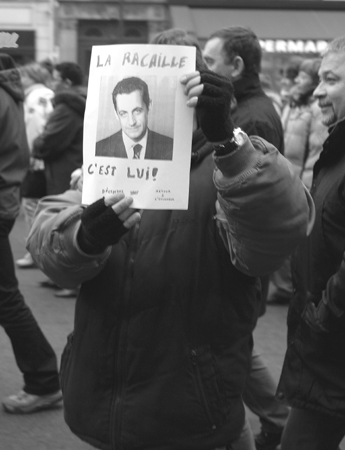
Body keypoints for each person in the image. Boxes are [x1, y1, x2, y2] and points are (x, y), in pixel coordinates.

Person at [26, 32, 312, 448]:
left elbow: (279, 230)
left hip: (195, 414)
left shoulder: (229, 165)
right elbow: (47, 245)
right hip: (105, 406)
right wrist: (83, 236)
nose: (132, 120)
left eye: (140, 108)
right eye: (122, 111)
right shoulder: (105, 160)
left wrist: (228, 141)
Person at [203, 26, 289, 450]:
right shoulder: (247, 107)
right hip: (239, 253)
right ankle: (276, 419)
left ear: (235, 66)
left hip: (240, 257)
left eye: (210, 61)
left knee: (232, 353)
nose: (202, 70)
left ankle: (277, 419)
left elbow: (256, 197)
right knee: (236, 350)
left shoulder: (251, 116)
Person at [277, 35, 345, 450]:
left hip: (330, 345)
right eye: (319, 78)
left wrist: (319, 319)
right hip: (325, 349)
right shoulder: (336, 147)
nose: (317, 90)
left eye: (331, 79)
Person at [0, 53, 62, 414]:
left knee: (6, 298)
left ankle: (43, 380)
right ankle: (43, 379)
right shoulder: (10, 94)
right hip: (6, 198)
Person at [268, 58, 328, 305]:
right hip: (287, 175)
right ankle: (286, 285)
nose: (298, 81)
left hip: (302, 181)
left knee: (296, 235)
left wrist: (306, 184)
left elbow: (317, 150)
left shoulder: (315, 108)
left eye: (304, 78)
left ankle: (290, 286)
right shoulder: (294, 103)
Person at [32, 61, 86, 298]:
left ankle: (68, 280)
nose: (50, 82)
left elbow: (50, 141)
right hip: (69, 166)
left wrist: (36, 143)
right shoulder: (76, 104)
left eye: (55, 78)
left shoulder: (66, 107)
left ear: (65, 82)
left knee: (66, 221)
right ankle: (63, 278)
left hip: (65, 169)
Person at [15, 61, 54, 269]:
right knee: (41, 205)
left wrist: (29, 156)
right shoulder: (48, 94)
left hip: (36, 161)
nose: (20, 80)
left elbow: (35, 128)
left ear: (30, 77)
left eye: (23, 76)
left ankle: (34, 252)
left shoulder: (33, 97)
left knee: (32, 205)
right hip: (46, 160)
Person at [96, 76, 174, 160]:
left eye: (137, 111)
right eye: (123, 113)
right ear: (116, 114)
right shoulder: (99, 149)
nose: (131, 122)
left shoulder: (171, 147)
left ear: (149, 106)